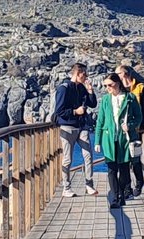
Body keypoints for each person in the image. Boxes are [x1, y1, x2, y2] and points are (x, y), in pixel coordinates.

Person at [52, 62, 97, 197]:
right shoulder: (63, 88)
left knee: (88, 155)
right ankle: (66, 187)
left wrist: (90, 91)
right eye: (84, 74)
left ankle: (89, 185)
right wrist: (74, 112)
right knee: (67, 158)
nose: (86, 76)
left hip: (82, 126)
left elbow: (93, 104)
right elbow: (59, 111)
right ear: (78, 74)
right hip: (67, 126)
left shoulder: (82, 88)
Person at [93, 70, 137, 208]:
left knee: (124, 169)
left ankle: (121, 193)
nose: (107, 88)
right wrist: (97, 141)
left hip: (124, 139)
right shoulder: (106, 99)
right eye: (105, 86)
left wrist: (129, 125)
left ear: (117, 83)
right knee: (111, 169)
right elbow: (100, 120)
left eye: (110, 85)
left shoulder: (130, 98)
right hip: (108, 139)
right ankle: (116, 196)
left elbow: (139, 117)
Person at [120, 63, 144, 195]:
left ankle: (139, 182)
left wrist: (142, 126)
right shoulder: (118, 89)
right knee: (123, 159)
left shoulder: (140, 88)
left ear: (124, 74)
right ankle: (127, 188)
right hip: (122, 131)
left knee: (135, 158)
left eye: (118, 74)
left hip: (136, 130)